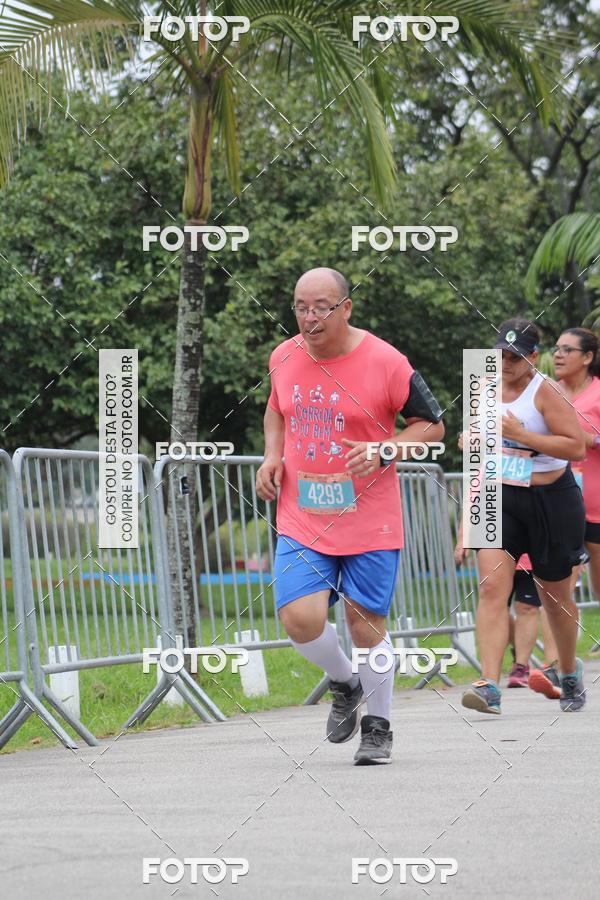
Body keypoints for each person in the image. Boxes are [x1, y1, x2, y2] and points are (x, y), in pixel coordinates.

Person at [256, 267, 444, 764]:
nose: (309, 318)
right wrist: (272, 455)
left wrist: (386, 448)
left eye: (321, 307)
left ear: (346, 308)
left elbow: (432, 426)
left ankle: (378, 726)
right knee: (300, 618)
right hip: (304, 513)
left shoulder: (386, 361)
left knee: (365, 626)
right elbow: (276, 409)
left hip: (370, 517)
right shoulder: (284, 356)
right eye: (300, 307)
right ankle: (344, 682)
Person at [461, 318, 587, 715]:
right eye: (498, 355)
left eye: (514, 358)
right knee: (491, 589)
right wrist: (470, 439)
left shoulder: (546, 391)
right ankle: (489, 685)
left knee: (556, 597)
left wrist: (525, 435)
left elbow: (576, 447)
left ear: (534, 357)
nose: (504, 363)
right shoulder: (481, 383)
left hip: (551, 500)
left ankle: (567, 672)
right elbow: (479, 440)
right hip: (500, 497)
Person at [552, 327, 600, 602]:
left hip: (595, 504)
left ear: (587, 357)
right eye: (557, 349)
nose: (559, 355)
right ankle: (559, 645)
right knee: (560, 584)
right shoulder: (547, 392)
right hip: (556, 497)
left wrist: (589, 439)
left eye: (567, 350)